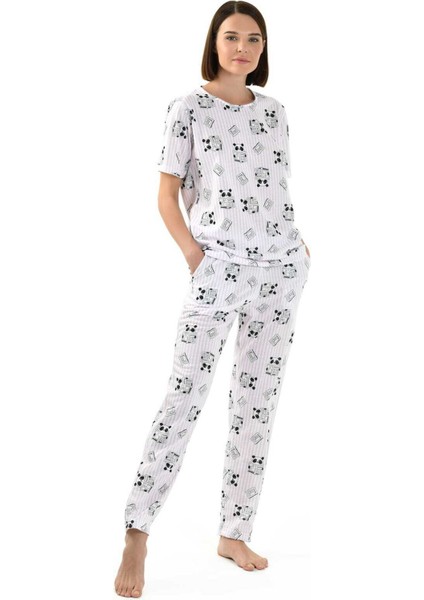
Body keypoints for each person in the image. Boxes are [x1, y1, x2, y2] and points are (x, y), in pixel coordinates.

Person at [114, 1, 311, 596]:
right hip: (218, 270)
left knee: (257, 407)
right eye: (231, 37)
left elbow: (277, 187)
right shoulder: (189, 108)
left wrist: (299, 249)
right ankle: (137, 532)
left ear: (263, 48)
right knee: (183, 399)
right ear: (214, 43)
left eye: (253, 39)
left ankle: (233, 532)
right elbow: (166, 195)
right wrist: (195, 257)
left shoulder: (275, 112)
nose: (242, 48)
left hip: (280, 272)